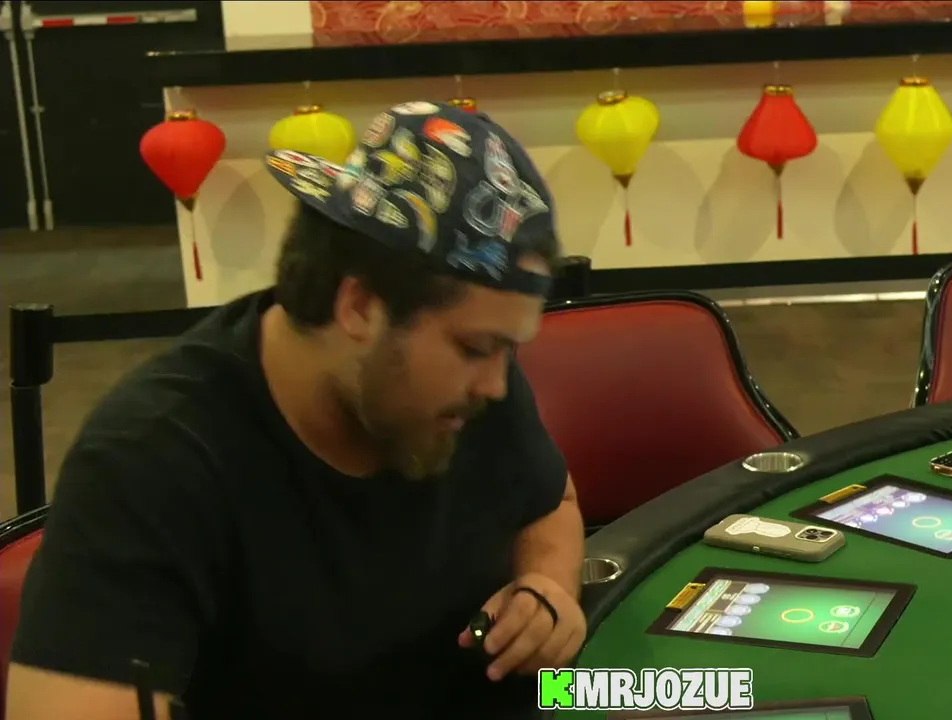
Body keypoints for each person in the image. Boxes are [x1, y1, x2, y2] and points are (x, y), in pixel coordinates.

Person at [6, 102, 586, 719]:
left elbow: (552, 502)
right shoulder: (150, 463)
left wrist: (547, 586)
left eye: (508, 350)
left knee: (660, 692)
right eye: (475, 347)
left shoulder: (470, 390)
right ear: (359, 306)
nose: (497, 384)